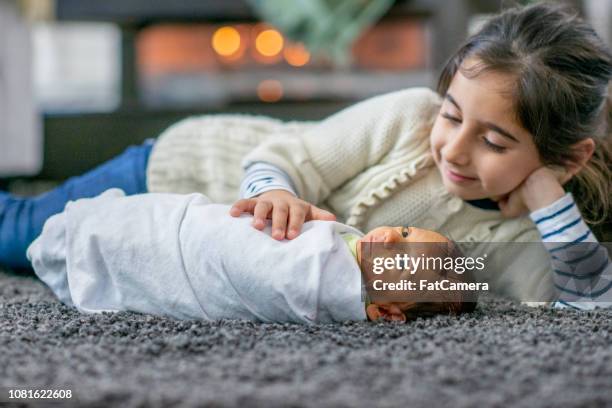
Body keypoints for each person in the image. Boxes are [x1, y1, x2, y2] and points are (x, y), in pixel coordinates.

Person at [1, 3, 610, 308]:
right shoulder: (406, 117)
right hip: (179, 167)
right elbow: (288, 153)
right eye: (453, 115)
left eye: (494, 141)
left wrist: (547, 199)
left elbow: (586, 306)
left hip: (193, 246)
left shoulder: (516, 244)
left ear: (568, 157)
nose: (453, 146)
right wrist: (278, 192)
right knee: (22, 235)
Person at [26, 188, 477, 323]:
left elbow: (252, 269)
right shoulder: (354, 242)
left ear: (387, 311)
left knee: (128, 238)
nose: (392, 242)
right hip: (186, 214)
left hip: (177, 252)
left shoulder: (322, 280)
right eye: (403, 231)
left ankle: (82, 243)